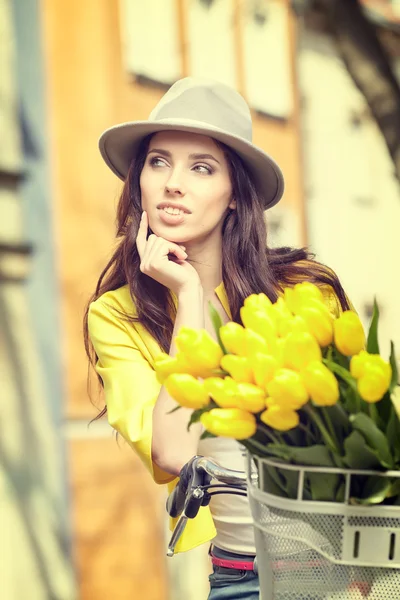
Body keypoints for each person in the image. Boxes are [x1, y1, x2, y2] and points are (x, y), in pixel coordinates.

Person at [84, 77, 350, 600]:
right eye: (158, 162)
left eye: (201, 167)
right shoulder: (116, 316)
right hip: (241, 575)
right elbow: (177, 455)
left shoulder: (303, 291)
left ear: (234, 197)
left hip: (340, 560)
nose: (172, 183)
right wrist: (189, 299)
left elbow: (356, 442)